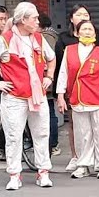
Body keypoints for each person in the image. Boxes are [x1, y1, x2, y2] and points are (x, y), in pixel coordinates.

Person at [0, 1, 55, 191]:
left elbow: (51, 58)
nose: (38, 21)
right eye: (35, 18)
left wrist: (49, 77)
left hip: (37, 95)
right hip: (14, 96)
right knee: (13, 136)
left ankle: (43, 172)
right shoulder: (5, 39)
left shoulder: (38, 38)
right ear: (23, 20)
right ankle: (14, 175)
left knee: (42, 133)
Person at [56, 20, 99, 179]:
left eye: (90, 29)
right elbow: (63, 74)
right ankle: (83, 164)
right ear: (77, 33)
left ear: (95, 34)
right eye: (84, 29)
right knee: (82, 133)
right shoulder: (69, 51)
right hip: (77, 97)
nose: (87, 32)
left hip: (98, 98)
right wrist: (61, 96)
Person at [39, 12, 62, 158]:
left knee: (48, 113)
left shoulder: (45, 38)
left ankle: (52, 144)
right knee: (50, 112)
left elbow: (47, 59)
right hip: (50, 79)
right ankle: (52, 144)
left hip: (45, 80)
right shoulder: (54, 35)